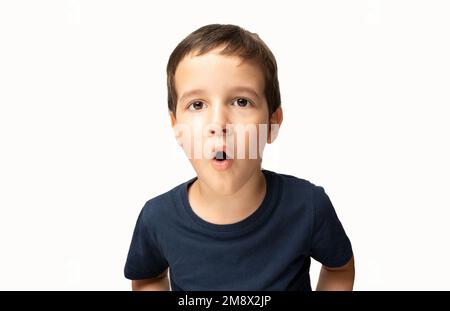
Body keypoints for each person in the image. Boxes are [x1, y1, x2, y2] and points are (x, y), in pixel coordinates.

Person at [124, 24, 354, 291]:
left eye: (241, 102)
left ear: (272, 124)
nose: (218, 123)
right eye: (197, 105)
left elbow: (339, 268)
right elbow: (147, 278)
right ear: (177, 127)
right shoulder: (157, 218)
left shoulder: (309, 206)